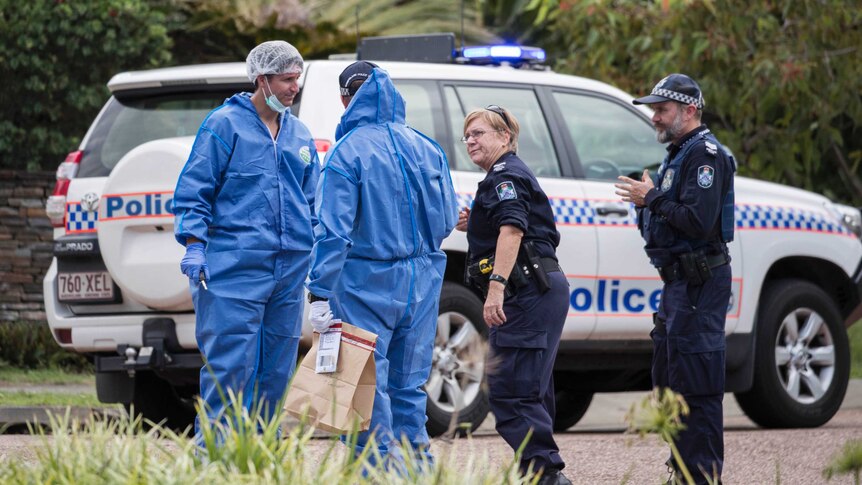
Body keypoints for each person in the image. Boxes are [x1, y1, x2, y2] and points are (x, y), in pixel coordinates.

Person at [305, 61, 458, 469]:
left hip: (364, 282)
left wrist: (318, 290)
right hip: (422, 280)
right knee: (410, 386)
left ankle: (376, 475)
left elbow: (333, 233)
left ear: (344, 100)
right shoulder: (427, 146)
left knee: (365, 386)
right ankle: (417, 474)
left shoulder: (347, 151)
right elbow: (446, 221)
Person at [173, 41, 320, 440]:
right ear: (262, 79)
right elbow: (195, 189)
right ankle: (218, 464)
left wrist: (317, 259)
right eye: (287, 79)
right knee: (230, 372)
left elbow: (311, 203)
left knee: (275, 373)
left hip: (288, 273)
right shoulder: (224, 125)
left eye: (297, 78)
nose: (295, 87)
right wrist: (194, 244)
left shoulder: (300, 134)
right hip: (232, 269)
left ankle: (260, 461)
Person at [615, 73, 735, 483]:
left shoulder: (704, 155)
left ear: (690, 110)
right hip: (678, 286)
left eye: (662, 109)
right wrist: (647, 204)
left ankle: (699, 476)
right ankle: (682, 467)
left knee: (697, 387)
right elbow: (666, 227)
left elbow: (699, 223)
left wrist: (651, 198)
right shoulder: (678, 154)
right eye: (653, 109)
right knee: (670, 381)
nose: (655, 117)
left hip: (700, 284)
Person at [456, 106, 571, 485]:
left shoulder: (505, 175)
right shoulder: (503, 175)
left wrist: (496, 287)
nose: (470, 140)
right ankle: (538, 471)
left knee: (511, 391)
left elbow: (513, 230)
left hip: (525, 290)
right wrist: (472, 222)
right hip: (536, 289)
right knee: (530, 389)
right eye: (467, 135)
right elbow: (504, 224)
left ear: (505, 137)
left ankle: (546, 474)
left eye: (479, 133)